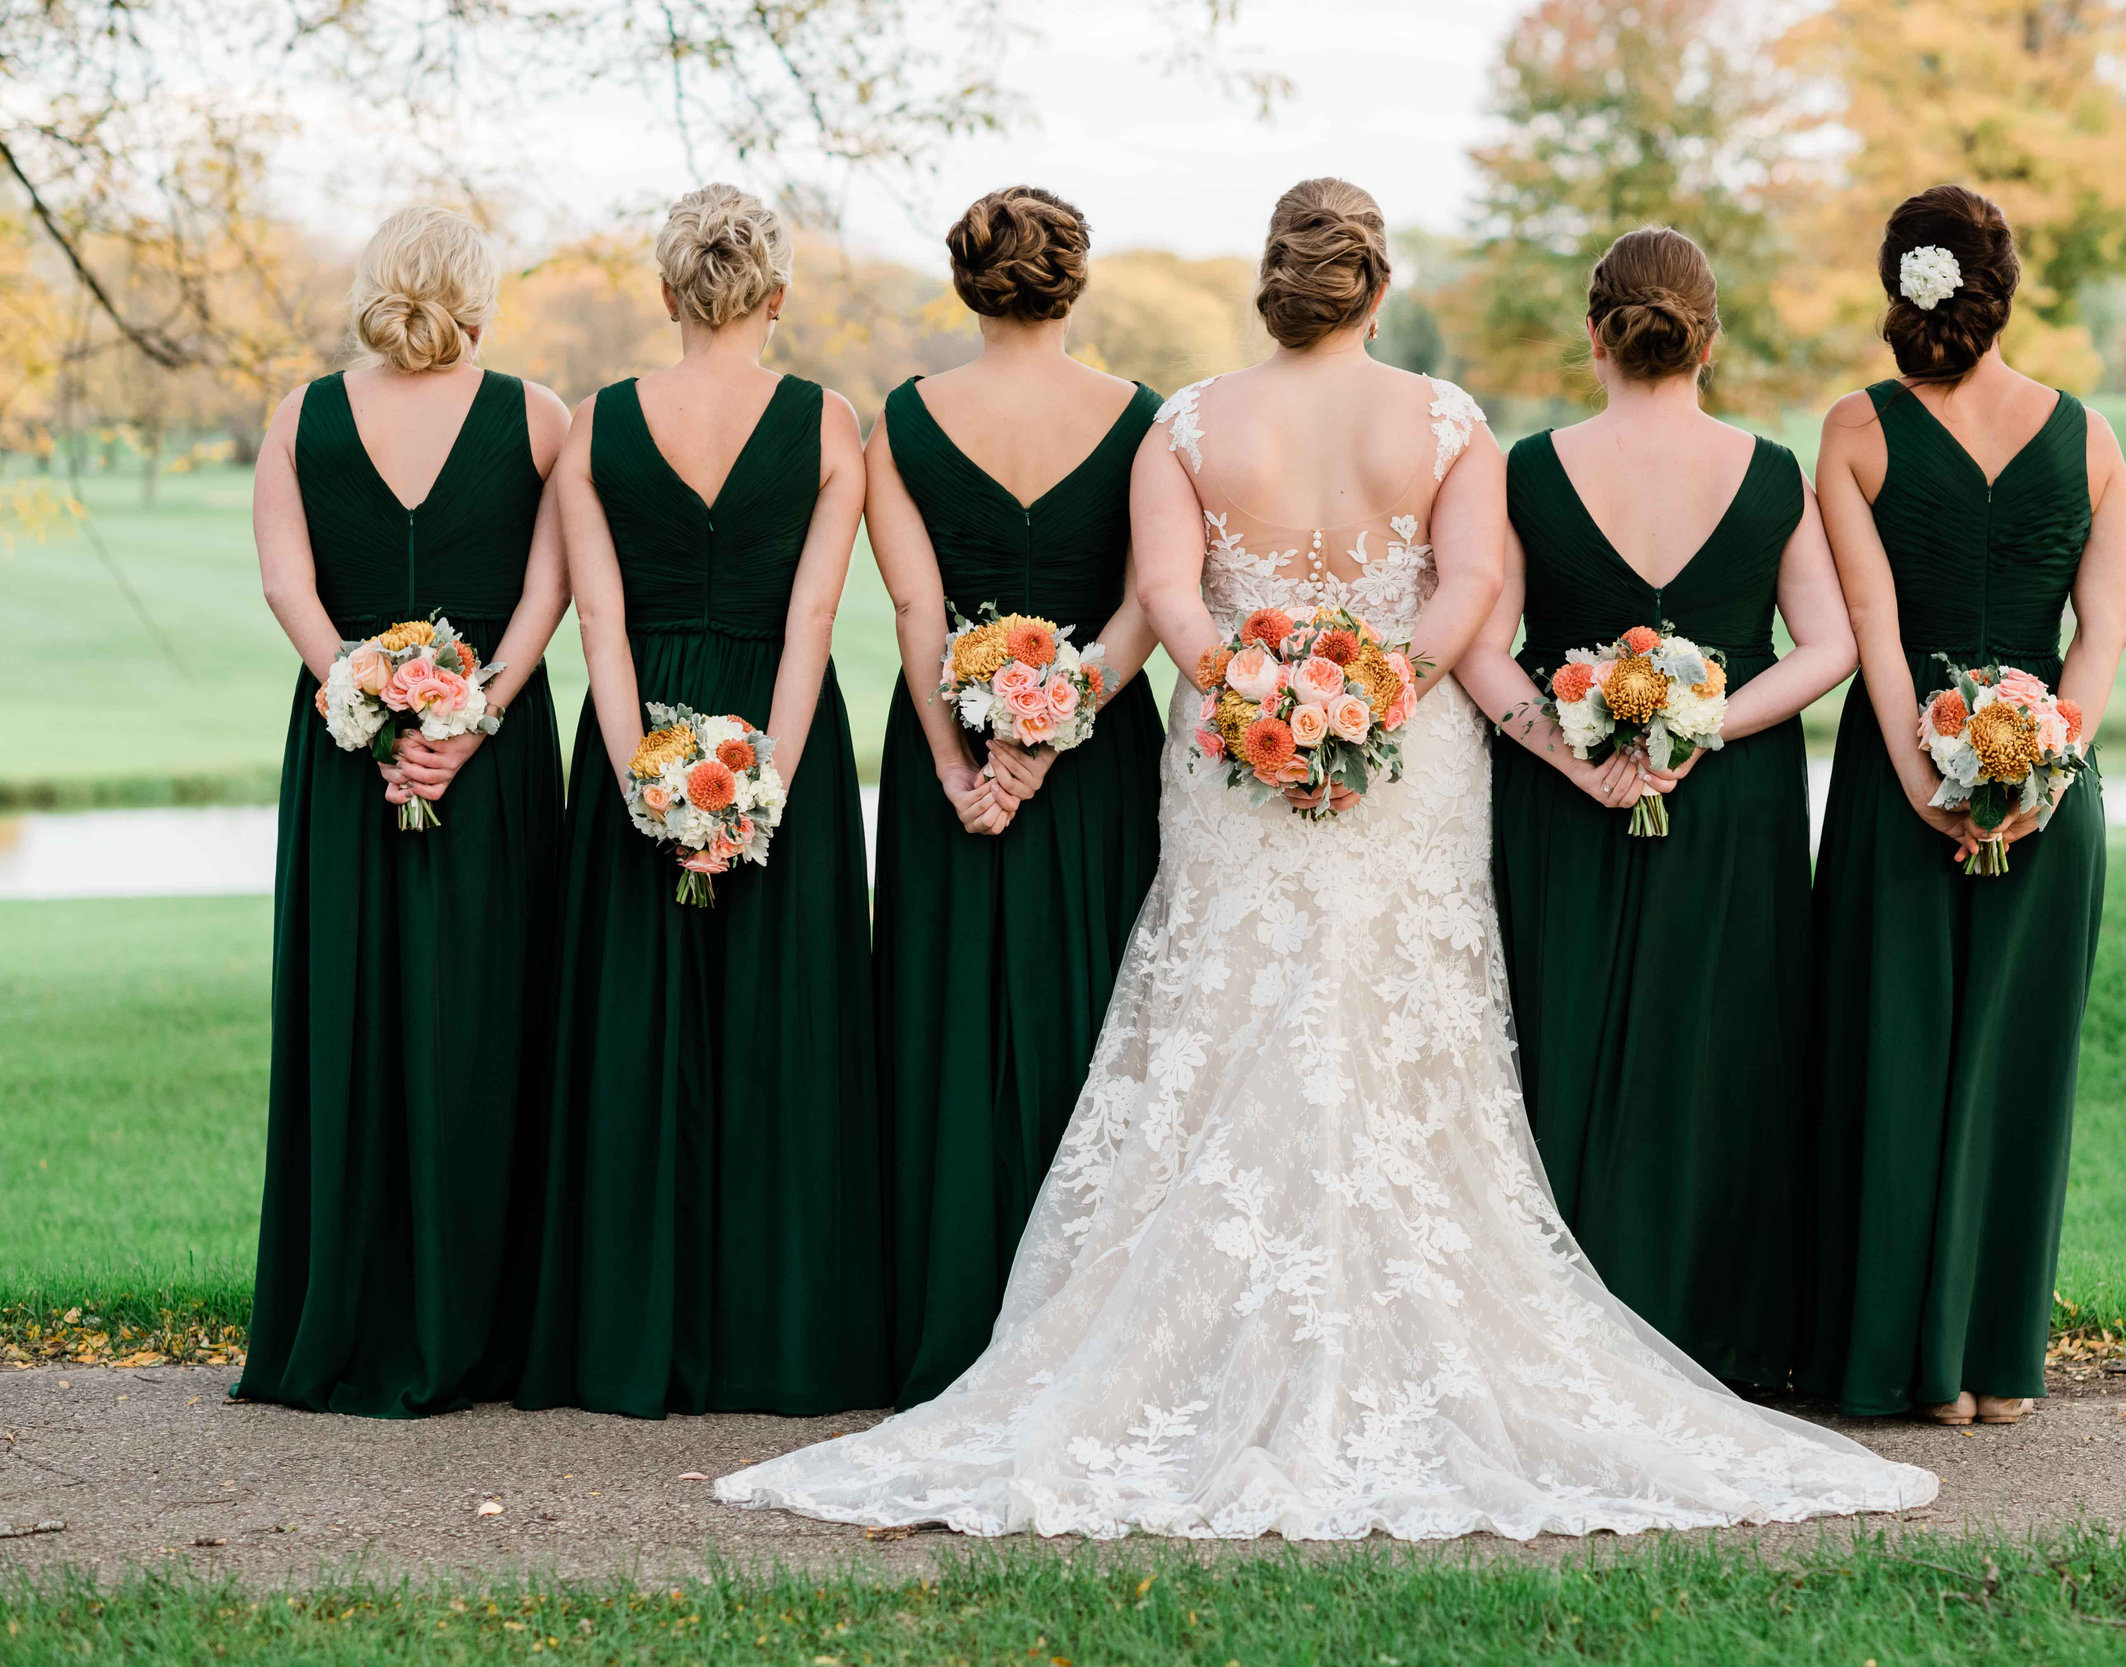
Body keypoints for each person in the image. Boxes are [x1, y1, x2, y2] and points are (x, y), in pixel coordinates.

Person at [713, 179, 1934, 1537]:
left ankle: (1183, 1349)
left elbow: (1172, 599)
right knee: (1405, 1048)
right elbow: (1468, 596)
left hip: (1235, 766)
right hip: (1404, 764)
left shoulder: (1187, 422)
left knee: (1230, 1024)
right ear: (1377, 285)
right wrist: (1374, 693)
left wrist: (1259, 705)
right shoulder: (1449, 425)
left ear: (1271, 286)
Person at [1461, 226, 1857, 1388]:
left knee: (1560, 1035)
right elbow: (1822, 646)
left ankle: (1559, 1329)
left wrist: (1575, 753)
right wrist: (1705, 725)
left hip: (1559, 798)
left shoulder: (1527, 466)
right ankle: (1720, 1333)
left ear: (1595, 335)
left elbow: (1485, 655)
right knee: (1721, 1046)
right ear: (1707, 338)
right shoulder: (1771, 469)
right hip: (1728, 803)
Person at [517, 183, 887, 1417]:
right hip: (785, 737)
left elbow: (602, 625)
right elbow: (814, 619)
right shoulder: (833, 424)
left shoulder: (592, 424)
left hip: (646, 725)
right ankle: (785, 1345)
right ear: (775, 299)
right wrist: (762, 781)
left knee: (637, 1032)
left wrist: (643, 779)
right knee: (785, 1026)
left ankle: (629, 1342)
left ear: (666, 295)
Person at [1802, 184, 2126, 1427]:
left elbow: (1875, 630)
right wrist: (2042, 766)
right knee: (2017, 1069)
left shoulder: (1853, 430)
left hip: (1902, 791)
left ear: (1904, 284)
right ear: (2004, 285)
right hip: (2052, 797)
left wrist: (1921, 775)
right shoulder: (2092, 436)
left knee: (1894, 1056)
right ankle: (1998, 1367)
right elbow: (2097, 637)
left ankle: (1903, 1364)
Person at [238, 206, 570, 1416]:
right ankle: (486, 1329)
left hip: (345, 758)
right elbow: (553, 587)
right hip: (493, 753)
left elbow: (289, 582)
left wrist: (366, 700)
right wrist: (468, 714)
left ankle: (351, 1319)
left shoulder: (299, 415)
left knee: (356, 1013)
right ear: (479, 287)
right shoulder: (540, 416)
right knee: (491, 1017)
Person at [871, 186, 1166, 1408]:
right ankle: (1091, 1323)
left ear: (965, 283)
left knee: (944, 1019)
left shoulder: (903, 417)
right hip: (1096, 758)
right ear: (1075, 281)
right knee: (1095, 1014)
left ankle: (945, 1318)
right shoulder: (1143, 418)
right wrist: (1054, 729)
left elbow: (912, 611)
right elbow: (1152, 598)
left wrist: (963, 761)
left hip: (950, 747)